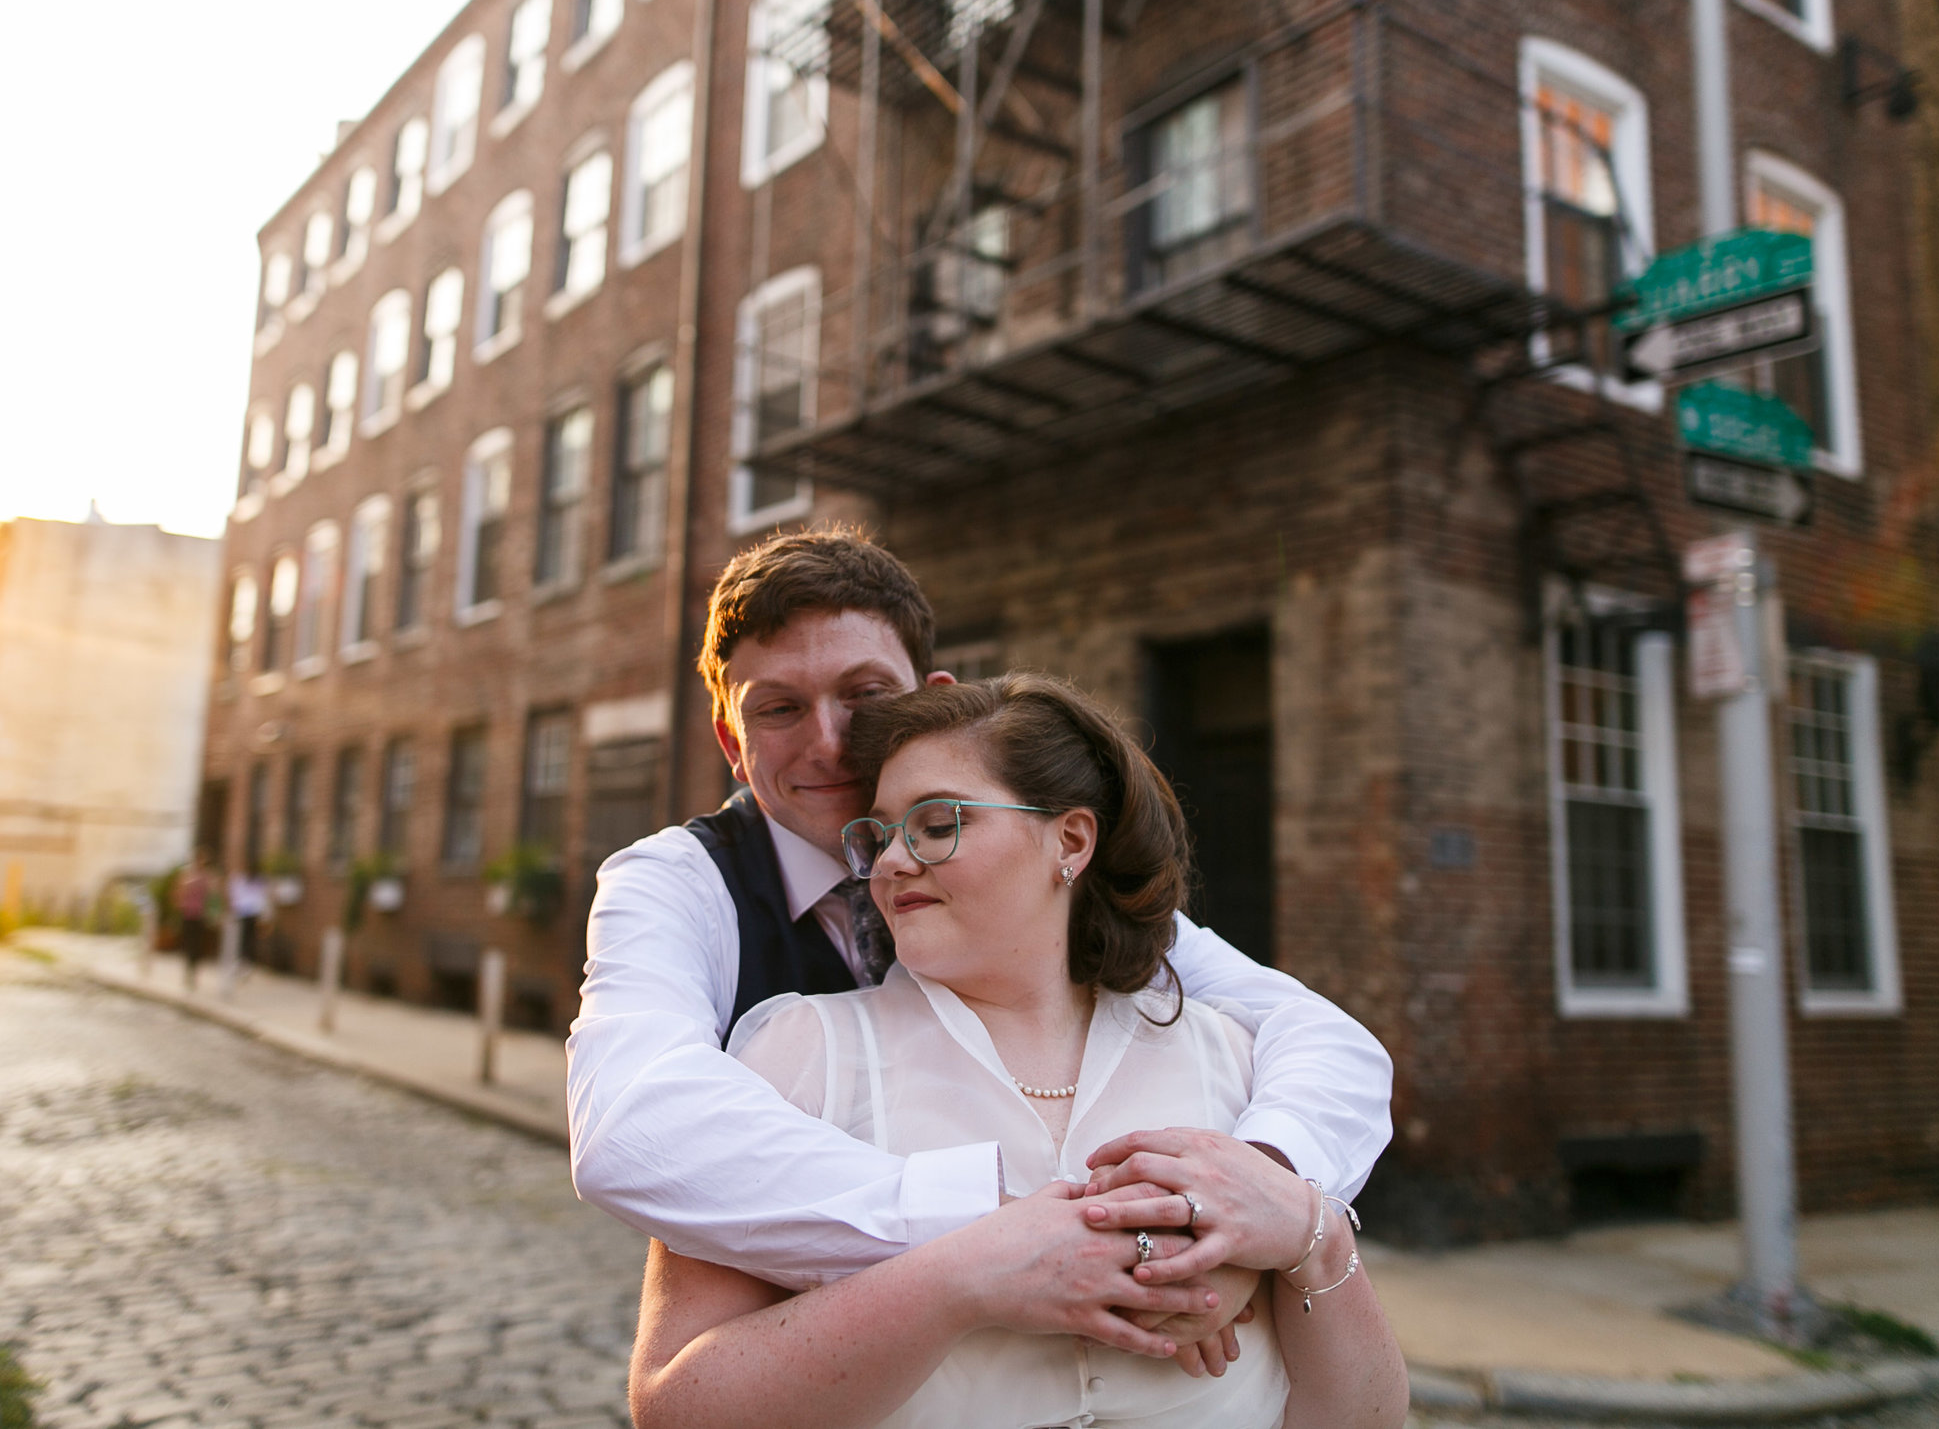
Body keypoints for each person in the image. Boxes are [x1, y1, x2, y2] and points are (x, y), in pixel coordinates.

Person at [569, 528, 1393, 1353]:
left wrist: (1246, 1201)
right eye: (779, 707)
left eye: (864, 692)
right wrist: (1003, 1236)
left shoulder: (1039, 880)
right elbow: (633, 1120)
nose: (828, 740)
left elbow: (1324, 1039)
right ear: (729, 742)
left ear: (931, 693)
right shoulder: (675, 882)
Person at [630, 674, 1406, 1428]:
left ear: (1069, 839)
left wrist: (1312, 1230)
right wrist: (961, 1280)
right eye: (881, 833)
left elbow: (1360, 1417)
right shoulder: (799, 1053)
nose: (893, 861)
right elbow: (674, 1404)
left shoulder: (1234, 1056)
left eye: (936, 824)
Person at [173, 858, 215, 992]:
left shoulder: (207, 878)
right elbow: (178, 892)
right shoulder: (187, 876)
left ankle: (193, 970)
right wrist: (180, 905)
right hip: (188, 914)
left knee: (197, 944)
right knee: (189, 942)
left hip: (200, 915)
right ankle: (189, 969)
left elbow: (213, 896)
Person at [227, 866, 269, 973]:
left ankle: (246, 962)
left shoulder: (258, 883)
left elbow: (262, 898)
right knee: (242, 938)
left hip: (252, 914)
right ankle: (241, 960)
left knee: (249, 939)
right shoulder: (241, 881)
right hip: (243, 914)